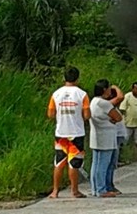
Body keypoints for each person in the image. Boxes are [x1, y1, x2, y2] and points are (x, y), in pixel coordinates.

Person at [47, 67, 91, 199]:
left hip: (61, 133)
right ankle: (74, 191)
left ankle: (55, 191)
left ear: (64, 78)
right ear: (77, 78)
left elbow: (50, 114)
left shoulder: (56, 94)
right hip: (76, 133)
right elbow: (87, 115)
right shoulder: (82, 94)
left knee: (59, 161)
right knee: (74, 163)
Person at [90, 79, 124, 197]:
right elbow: (118, 117)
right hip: (105, 138)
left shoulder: (94, 101)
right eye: (109, 88)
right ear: (105, 90)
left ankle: (95, 188)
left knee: (96, 164)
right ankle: (101, 189)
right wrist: (113, 119)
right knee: (103, 165)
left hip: (97, 136)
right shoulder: (104, 103)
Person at [108, 88, 127, 194]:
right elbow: (120, 97)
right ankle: (108, 186)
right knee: (110, 163)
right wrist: (114, 87)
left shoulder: (112, 109)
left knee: (112, 163)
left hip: (116, 138)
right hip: (113, 138)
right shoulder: (108, 107)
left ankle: (108, 185)